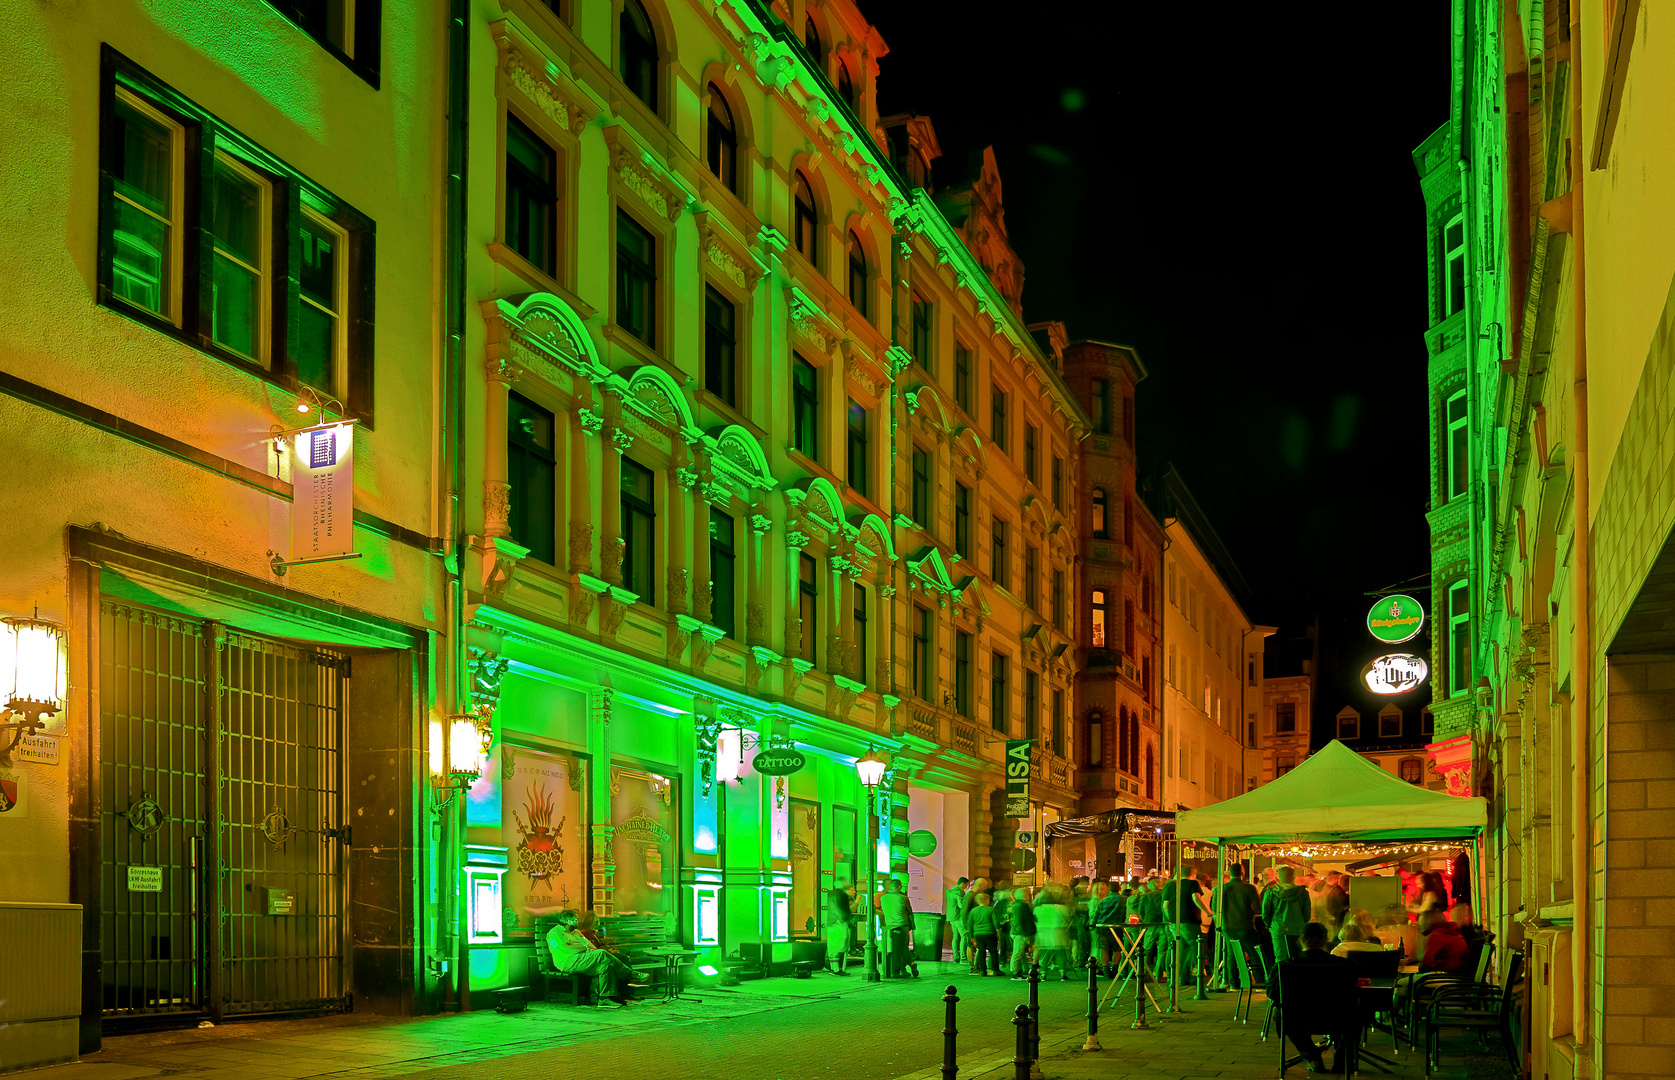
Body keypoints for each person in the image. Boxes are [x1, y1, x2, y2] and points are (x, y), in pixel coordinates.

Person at [1282, 922, 1360, 1074]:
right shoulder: (1345, 965)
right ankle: (1343, 1060)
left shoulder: (1285, 966)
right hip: (1338, 1017)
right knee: (1356, 1012)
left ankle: (1312, 1056)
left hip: (1298, 1019)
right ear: (1326, 939)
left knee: (1281, 1014)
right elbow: (1353, 991)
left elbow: (1273, 994)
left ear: (1300, 940)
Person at [545, 909, 647, 1007]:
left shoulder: (576, 932)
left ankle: (604, 999)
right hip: (568, 963)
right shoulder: (555, 933)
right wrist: (585, 948)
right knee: (601, 953)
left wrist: (586, 948)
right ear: (567, 921)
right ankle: (630, 974)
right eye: (575, 918)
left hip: (583, 960)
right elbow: (567, 948)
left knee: (605, 967)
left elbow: (591, 946)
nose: (578, 920)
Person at [1213, 863, 1263, 983]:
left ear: (1229, 873)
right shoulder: (1249, 888)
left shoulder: (1220, 889)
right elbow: (1257, 909)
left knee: (1232, 955)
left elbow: (1215, 908)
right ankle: (1260, 980)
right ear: (1242, 873)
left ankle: (1233, 982)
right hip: (1246, 926)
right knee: (1254, 953)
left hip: (1227, 927)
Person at [1262, 865, 1312, 968]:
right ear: (1293, 877)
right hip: (1298, 928)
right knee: (1297, 958)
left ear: (1278, 877)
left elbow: (1266, 913)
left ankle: (1282, 981)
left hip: (1278, 928)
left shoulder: (1270, 893)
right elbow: (1307, 914)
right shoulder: (1303, 893)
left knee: (1280, 958)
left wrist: (1269, 926)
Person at [1164, 864, 1206, 986]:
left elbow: (1165, 906)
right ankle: (1191, 975)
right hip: (1190, 920)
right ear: (1193, 874)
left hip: (1174, 922)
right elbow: (1196, 898)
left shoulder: (1171, 886)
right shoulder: (1193, 884)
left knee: (1181, 949)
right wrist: (1209, 912)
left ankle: (1179, 977)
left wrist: (1170, 919)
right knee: (1195, 947)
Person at [1034, 883, 1072, 979]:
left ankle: (1043, 973)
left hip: (1042, 934)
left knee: (1044, 954)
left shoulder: (1037, 909)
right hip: (1058, 933)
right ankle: (1062, 973)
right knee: (1060, 953)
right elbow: (1068, 919)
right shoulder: (1062, 908)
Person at [879, 878, 916, 978]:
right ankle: (910, 963)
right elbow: (910, 912)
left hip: (889, 926)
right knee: (904, 948)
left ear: (890, 887)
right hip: (902, 925)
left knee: (894, 948)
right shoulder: (903, 898)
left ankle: (899, 970)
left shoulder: (883, 898)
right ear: (899, 887)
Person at [1418, 908, 1469, 974]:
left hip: (1445, 977)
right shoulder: (1454, 933)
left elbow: (1425, 965)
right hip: (1458, 976)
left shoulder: (1436, 935)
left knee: (1402, 982)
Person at [1090, 880, 1125, 977]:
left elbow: (1096, 916)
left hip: (1103, 928)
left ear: (1109, 889)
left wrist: (1093, 925)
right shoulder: (1125, 899)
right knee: (1117, 949)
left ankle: (1106, 971)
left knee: (1103, 949)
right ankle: (1115, 969)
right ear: (1119, 889)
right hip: (1118, 928)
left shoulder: (1102, 901)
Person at [966, 891, 1001, 975]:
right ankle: (995, 969)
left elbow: (970, 924)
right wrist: (998, 933)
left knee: (981, 951)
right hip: (989, 933)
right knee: (993, 951)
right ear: (986, 900)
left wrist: (971, 936)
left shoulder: (973, 911)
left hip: (978, 934)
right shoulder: (990, 909)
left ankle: (982, 970)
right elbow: (995, 922)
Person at [825, 878, 854, 975]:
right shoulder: (842, 895)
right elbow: (840, 909)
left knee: (832, 947)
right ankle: (838, 969)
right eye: (845, 882)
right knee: (840, 946)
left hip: (830, 922)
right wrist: (846, 920)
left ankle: (834, 968)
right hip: (839, 923)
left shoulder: (830, 894)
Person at [1008, 886, 1037, 978]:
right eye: (1026, 894)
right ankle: (1015, 972)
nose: (1028, 895)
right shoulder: (1020, 906)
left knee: (1020, 952)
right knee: (1018, 952)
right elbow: (1019, 922)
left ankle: (1020, 970)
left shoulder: (1020, 905)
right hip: (1019, 933)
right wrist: (1025, 934)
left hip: (1018, 932)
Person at [946, 876, 970, 966]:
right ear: (962, 883)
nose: (966, 887)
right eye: (966, 885)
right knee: (964, 935)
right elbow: (961, 906)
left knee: (955, 937)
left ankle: (956, 957)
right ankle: (963, 958)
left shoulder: (950, 891)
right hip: (958, 917)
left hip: (951, 917)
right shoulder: (960, 891)